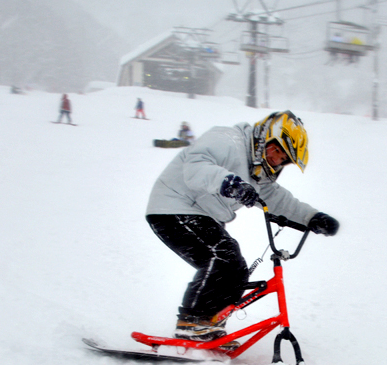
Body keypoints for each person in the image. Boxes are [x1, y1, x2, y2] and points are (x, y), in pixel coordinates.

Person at [145, 110, 339, 342]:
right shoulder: (227, 139)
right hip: (173, 207)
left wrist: (312, 217)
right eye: (274, 150)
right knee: (223, 255)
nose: (274, 160)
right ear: (263, 137)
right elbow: (195, 167)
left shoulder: (257, 175)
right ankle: (192, 323)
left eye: (282, 158)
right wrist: (229, 183)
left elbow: (279, 200)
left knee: (236, 271)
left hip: (202, 215)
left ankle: (209, 326)